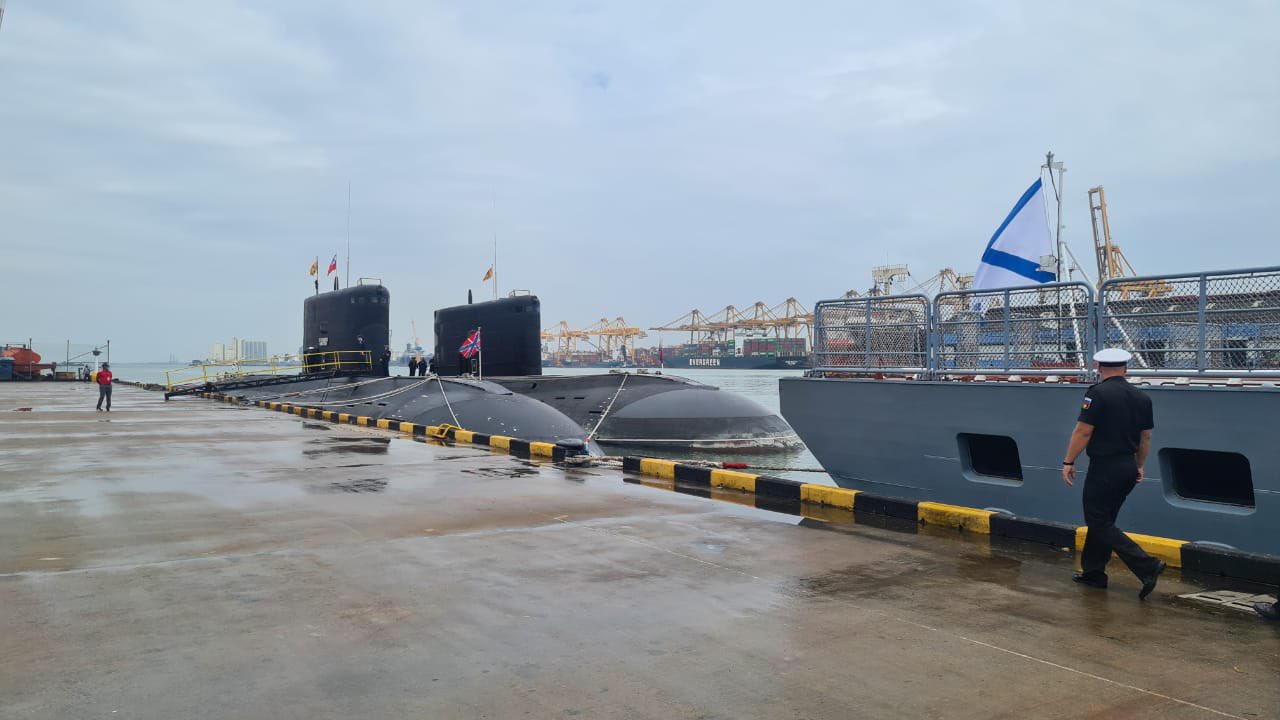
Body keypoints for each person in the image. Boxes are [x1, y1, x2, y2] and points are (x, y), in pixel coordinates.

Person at [1062, 348, 1166, 599]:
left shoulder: (1097, 394)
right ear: (1126, 369)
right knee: (1104, 520)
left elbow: (1083, 431)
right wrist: (1139, 465)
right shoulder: (1142, 397)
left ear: (1098, 368)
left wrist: (1068, 461)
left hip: (1105, 466)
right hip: (1127, 466)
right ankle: (1094, 573)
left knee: (1098, 520)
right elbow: (1146, 437)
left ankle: (1147, 565)